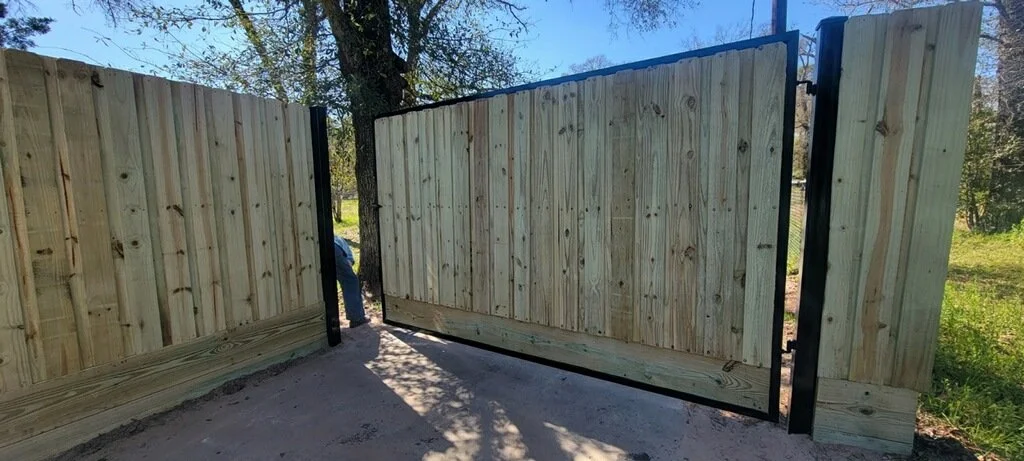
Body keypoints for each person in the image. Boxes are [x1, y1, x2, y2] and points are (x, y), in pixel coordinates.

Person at [334, 235, 369, 328]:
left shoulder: (339, 239)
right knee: (351, 281)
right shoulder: (345, 248)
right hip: (334, 247)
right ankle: (357, 318)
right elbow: (348, 264)